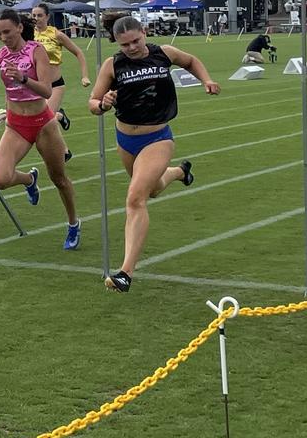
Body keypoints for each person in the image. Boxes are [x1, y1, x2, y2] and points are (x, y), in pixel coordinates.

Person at [88, 15, 220, 292]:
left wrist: (206, 80)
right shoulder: (112, 65)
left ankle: (125, 273)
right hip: (125, 139)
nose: (132, 48)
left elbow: (191, 61)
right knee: (152, 190)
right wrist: (103, 103)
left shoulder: (164, 53)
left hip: (158, 137)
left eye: (136, 41)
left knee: (135, 198)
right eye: (125, 44)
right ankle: (179, 172)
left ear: (144, 33)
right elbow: (93, 103)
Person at [0, 8, 81, 249]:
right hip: (16, 125)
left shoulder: (36, 51)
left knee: (59, 179)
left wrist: (22, 78)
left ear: (19, 27)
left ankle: (73, 223)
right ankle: (29, 179)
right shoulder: (0, 55)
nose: (3, 37)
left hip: (43, 124)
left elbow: (47, 90)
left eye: (7, 31)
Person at [30, 3, 91, 155]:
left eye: (39, 15)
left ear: (47, 17)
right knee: (43, 121)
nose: (36, 18)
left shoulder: (56, 34)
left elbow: (79, 53)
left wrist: (84, 76)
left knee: (45, 120)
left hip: (55, 84)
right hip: (37, 85)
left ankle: (59, 117)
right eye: (34, 16)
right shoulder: (28, 35)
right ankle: (64, 151)